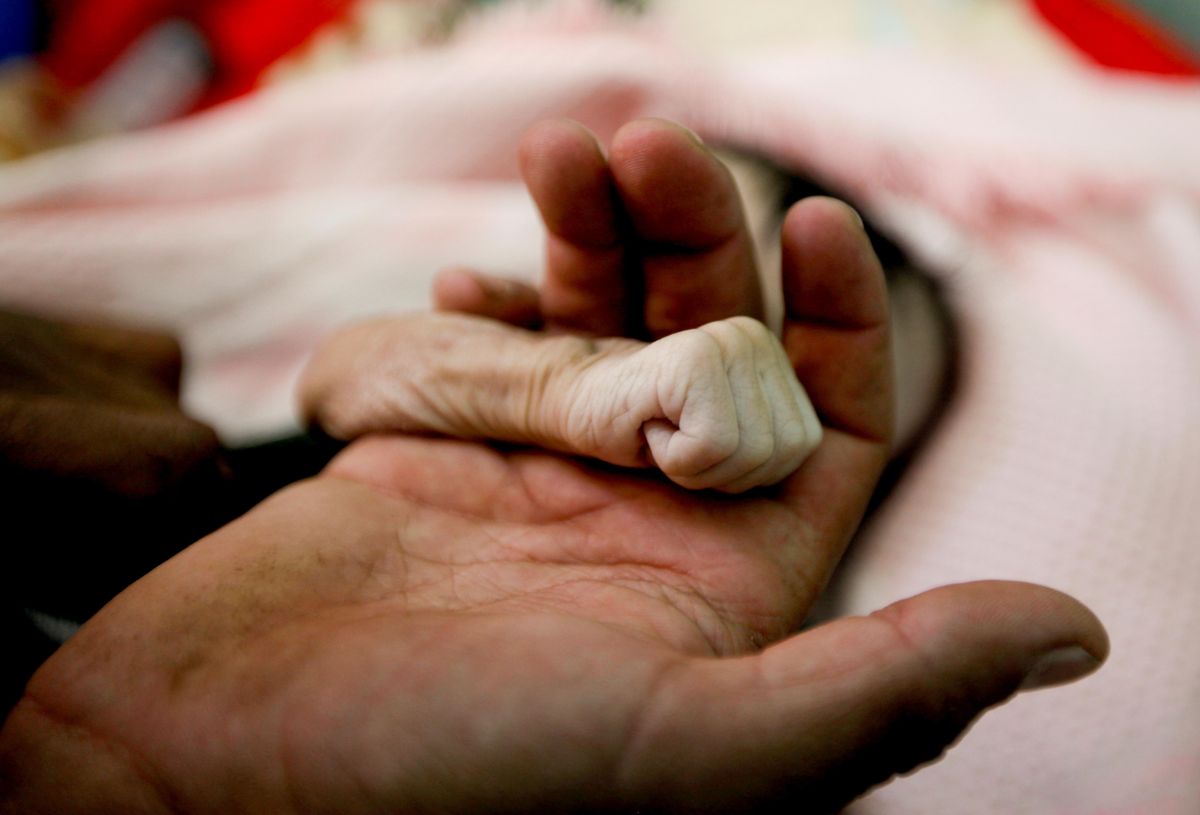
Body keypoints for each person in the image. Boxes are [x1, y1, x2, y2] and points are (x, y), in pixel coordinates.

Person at [0, 118, 1107, 813]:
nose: (747, 389)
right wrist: (540, 387)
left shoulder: (727, 696)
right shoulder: (451, 399)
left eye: (828, 415)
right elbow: (343, 373)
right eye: (741, 320)